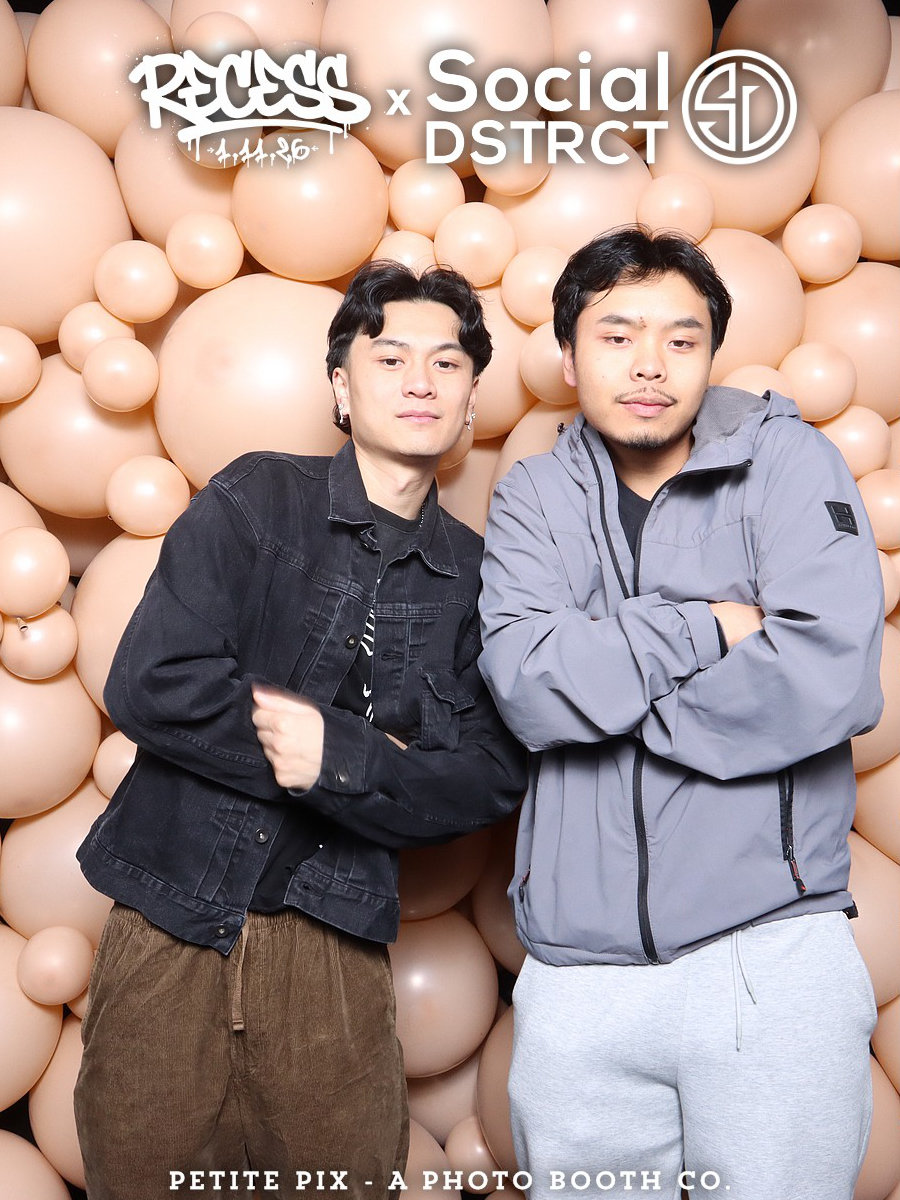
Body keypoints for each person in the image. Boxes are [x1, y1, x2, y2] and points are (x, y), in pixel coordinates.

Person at [74, 260, 526, 1200]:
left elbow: (486, 776)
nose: (419, 381)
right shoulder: (257, 497)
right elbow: (153, 682)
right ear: (340, 388)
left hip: (335, 939)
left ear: (471, 404)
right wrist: (359, 759)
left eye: (446, 364)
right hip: (169, 908)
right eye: (390, 358)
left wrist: (341, 760)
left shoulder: (480, 583)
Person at [477, 227, 883, 1200]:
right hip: (577, 975)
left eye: (681, 338)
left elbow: (827, 674)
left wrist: (612, 700)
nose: (649, 364)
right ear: (568, 356)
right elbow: (525, 686)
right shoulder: (533, 494)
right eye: (617, 336)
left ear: (712, 354)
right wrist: (706, 627)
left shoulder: (790, 463)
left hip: (768, 956)